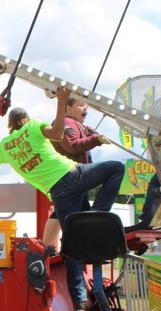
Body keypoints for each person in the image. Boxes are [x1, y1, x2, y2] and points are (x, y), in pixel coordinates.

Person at [0, 88, 125, 311]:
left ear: (9, 125)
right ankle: (99, 217)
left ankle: (79, 305)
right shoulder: (33, 126)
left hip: (58, 194)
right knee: (116, 168)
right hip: (72, 175)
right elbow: (56, 134)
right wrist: (61, 101)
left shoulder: (4, 147)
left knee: (73, 247)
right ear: (24, 119)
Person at [43, 98, 110, 249]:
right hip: (70, 176)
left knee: (71, 213)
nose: (85, 107)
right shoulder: (66, 123)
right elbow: (73, 146)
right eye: (80, 105)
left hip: (74, 177)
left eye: (86, 105)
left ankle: (57, 248)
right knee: (115, 168)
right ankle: (52, 248)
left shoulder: (76, 124)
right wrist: (95, 138)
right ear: (67, 109)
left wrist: (92, 135)